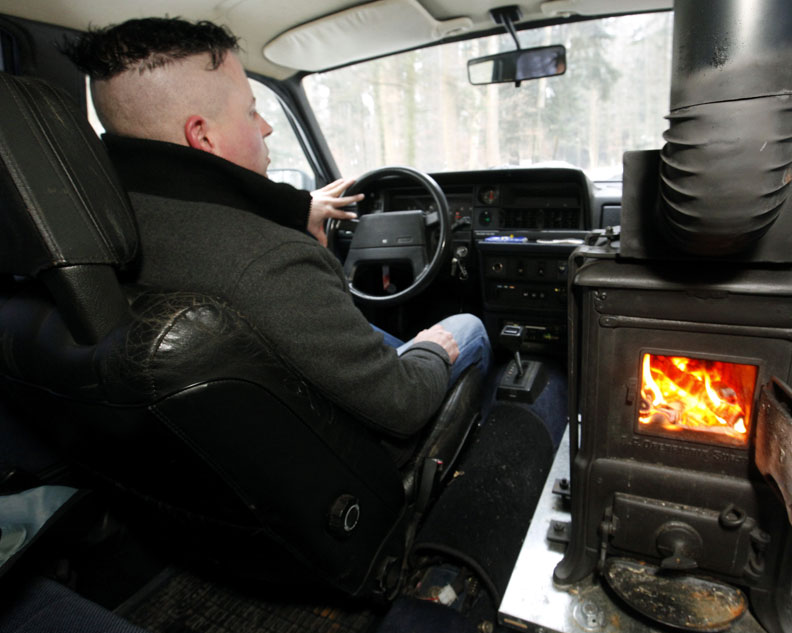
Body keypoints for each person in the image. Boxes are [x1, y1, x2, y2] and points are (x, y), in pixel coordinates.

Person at [62, 17, 490, 440]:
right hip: (355, 463)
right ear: (203, 136)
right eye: (251, 111)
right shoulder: (276, 263)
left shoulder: (94, 229)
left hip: (216, 448)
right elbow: (403, 401)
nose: (265, 126)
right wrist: (431, 349)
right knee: (464, 327)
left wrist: (295, 209)